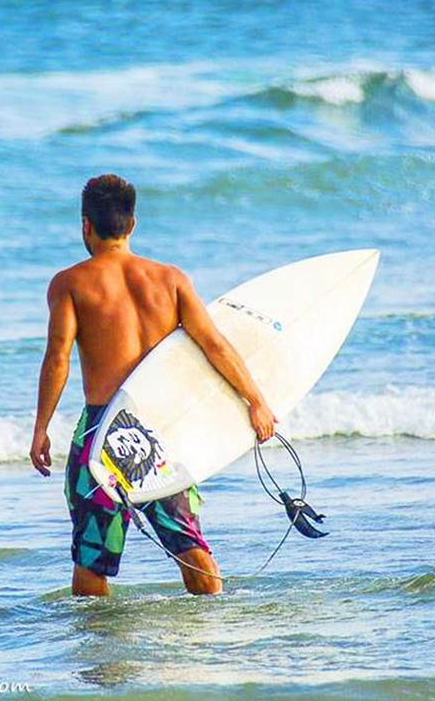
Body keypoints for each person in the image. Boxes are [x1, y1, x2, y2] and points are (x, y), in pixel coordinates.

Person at [30, 173, 277, 597]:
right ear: (133, 224)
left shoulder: (70, 283)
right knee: (189, 545)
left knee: (92, 559)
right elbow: (214, 345)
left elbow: (58, 358)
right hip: (161, 432)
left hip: (102, 434)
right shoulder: (170, 279)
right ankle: (208, 637)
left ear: (85, 225)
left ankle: (104, 657)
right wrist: (256, 401)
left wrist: (41, 428)